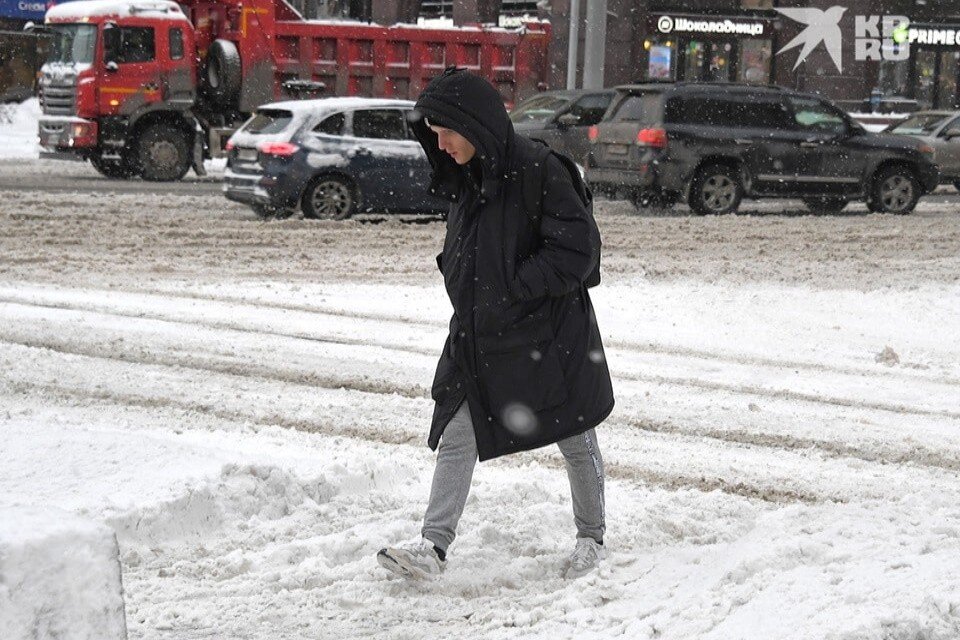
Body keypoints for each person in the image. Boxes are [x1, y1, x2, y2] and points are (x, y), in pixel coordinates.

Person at [377, 67, 615, 580]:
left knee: (575, 434)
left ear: (474, 124)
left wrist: (511, 287)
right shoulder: (465, 177)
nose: (438, 146)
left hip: (547, 338)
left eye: (446, 133)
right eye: (433, 135)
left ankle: (591, 538)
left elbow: (578, 253)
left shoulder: (541, 170)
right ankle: (432, 548)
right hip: (481, 337)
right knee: (457, 432)